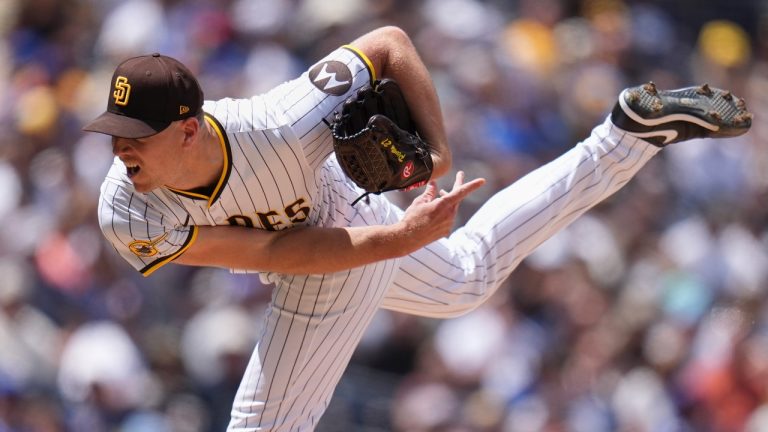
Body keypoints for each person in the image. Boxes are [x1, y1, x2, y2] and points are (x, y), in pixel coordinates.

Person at [83, 26, 751, 431]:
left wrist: (439, 154)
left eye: (137, 137)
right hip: (323, 245)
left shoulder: (279, 123)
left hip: (342, 221)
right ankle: (624, 138)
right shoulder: (127, 210)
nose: (122, 151)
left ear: (190, 127)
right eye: (115, 136)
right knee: (467, 279)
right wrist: (400, 239)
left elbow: (389, 47)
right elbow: (271, 249)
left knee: (264, 426)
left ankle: (623, 137)